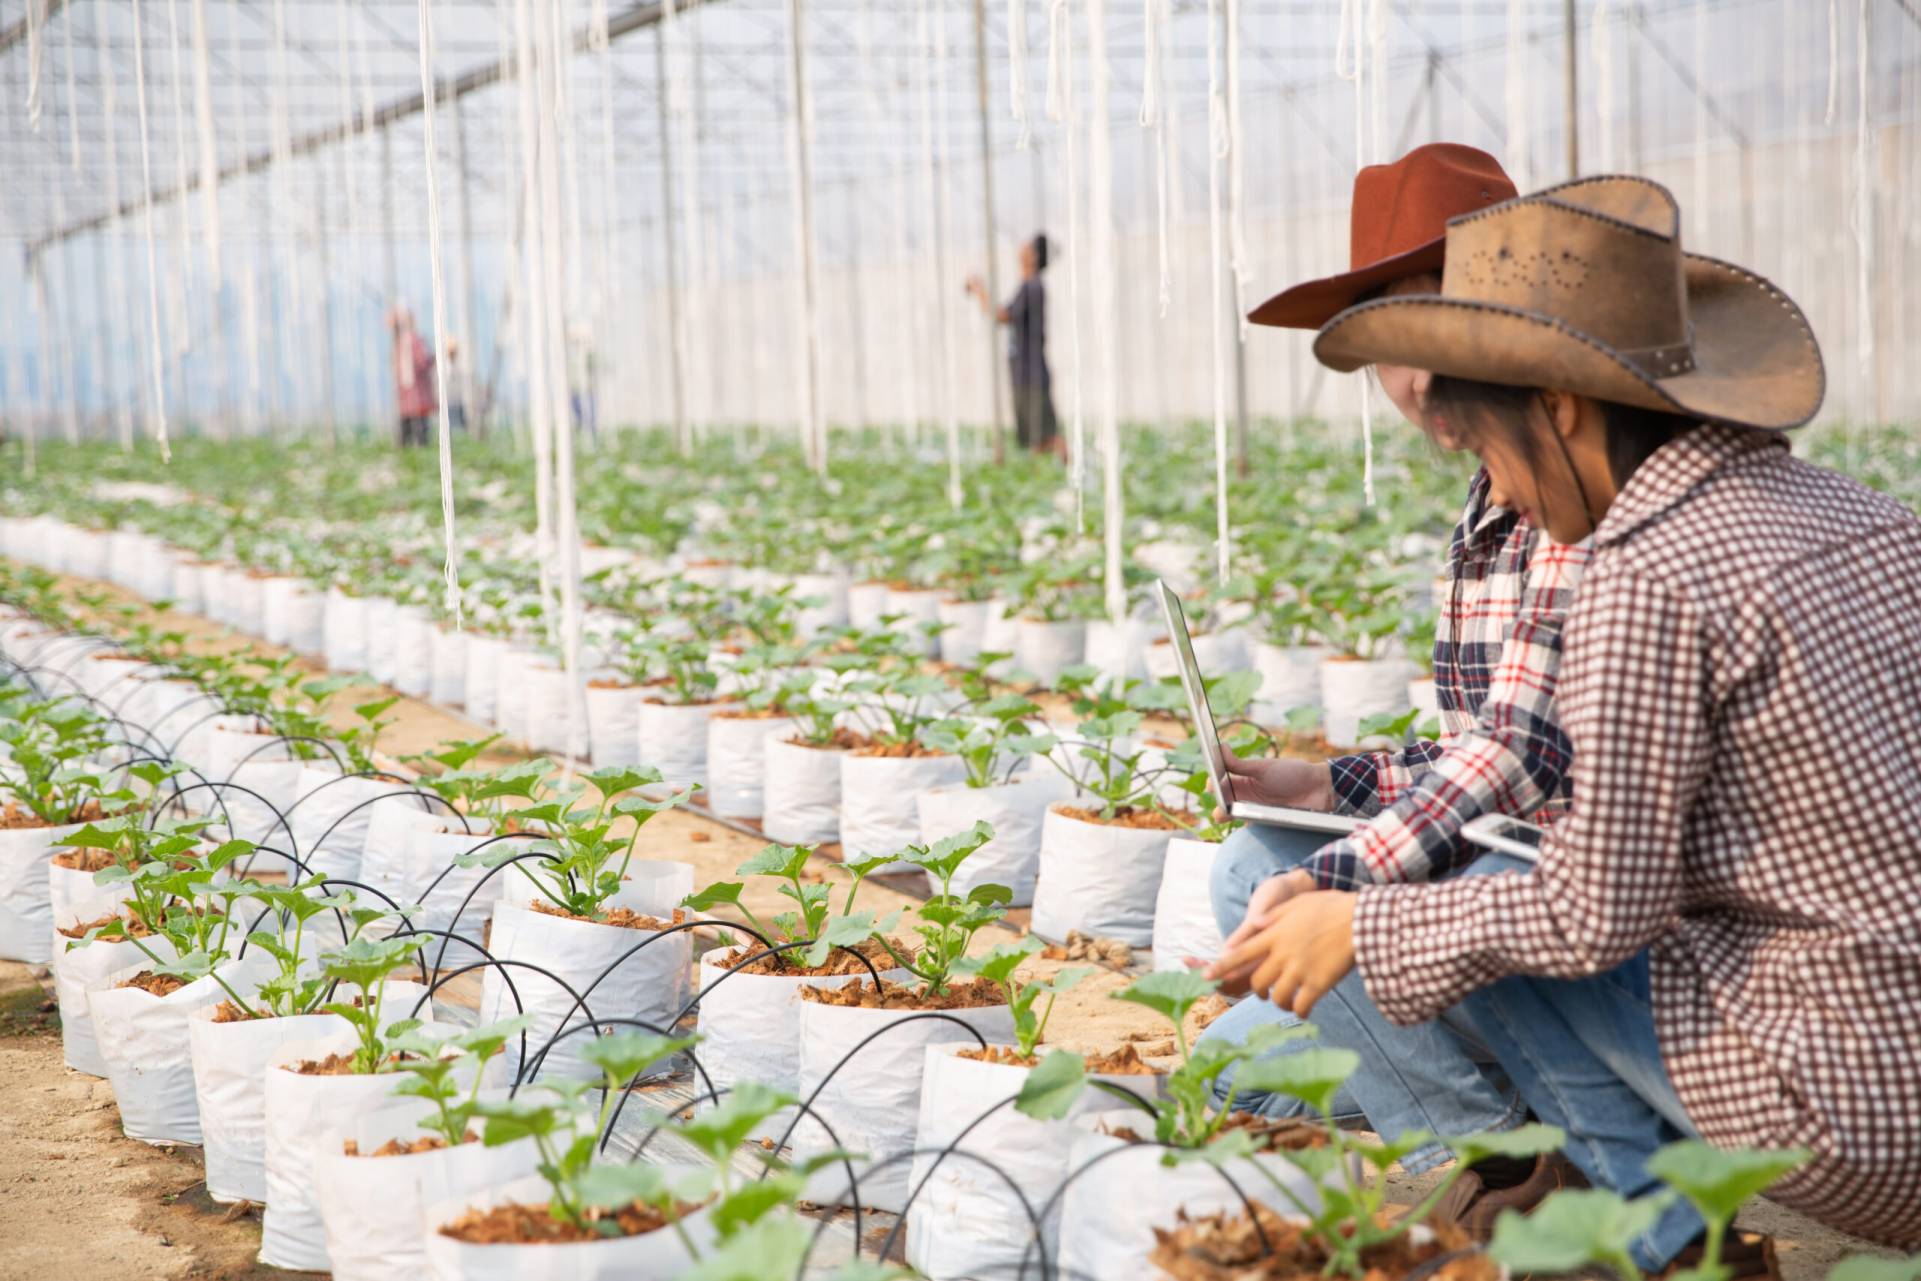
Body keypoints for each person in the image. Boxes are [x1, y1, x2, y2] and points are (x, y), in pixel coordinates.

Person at [1211, 175, 1921, 1264]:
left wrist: (1363, 919)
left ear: (1561, 408)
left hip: (1845, 1107)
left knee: (1499, 920)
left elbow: (1593, 916)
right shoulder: (1872, 519)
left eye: (1490, 449)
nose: (1497, 485)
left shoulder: (1649, 571)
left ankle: (1655, 1240)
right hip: (1890, 1052)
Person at [1200, 143, 1587, 1222]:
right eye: (1387, 345)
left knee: (1284, 915)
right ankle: (1494, 1113)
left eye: (1432, 329)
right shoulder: (1484, 499)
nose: (1412, 381)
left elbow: (1518, 759)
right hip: (1506, 864)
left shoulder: (1568, 479)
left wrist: (1341, 886)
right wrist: (1321, 786)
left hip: (1567, 893)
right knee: (1233, 1008)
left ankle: (1513, 1166)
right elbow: (1480, 742)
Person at [967, 234, 1060, 456]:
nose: (1022, 248)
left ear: (1035, 256)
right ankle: (1049, 472)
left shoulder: (1032, 287)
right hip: (1025, 371)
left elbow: (1002, 316)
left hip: (1032, 372)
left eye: (1027, 246)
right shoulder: (1027, 287)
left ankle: (1068, 469)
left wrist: (980, 291)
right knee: (1035, 436)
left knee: (1046, 434)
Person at [390, 305, 435, 448]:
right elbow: (424, 361)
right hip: (415, 395)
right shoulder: (414, 341)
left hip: (410, 394)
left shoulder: (402, 342)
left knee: (409, 425)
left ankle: (407, 449)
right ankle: (413, 448)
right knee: (416, 427)